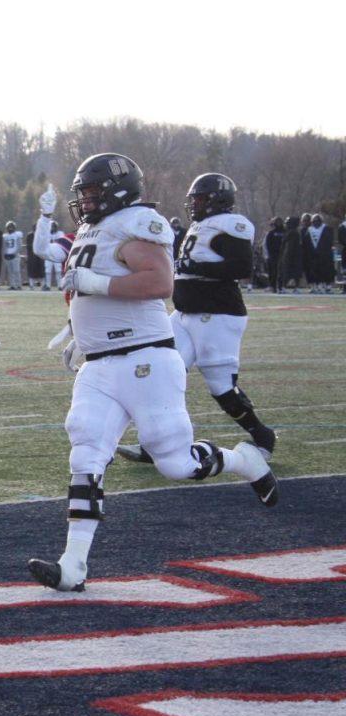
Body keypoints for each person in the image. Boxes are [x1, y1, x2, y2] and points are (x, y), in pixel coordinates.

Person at [26, 157, 277, 593]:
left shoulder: (136, 223)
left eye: (91, 191)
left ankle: (243, 459)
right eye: (82, 192)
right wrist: (79, 330)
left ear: (117, 190)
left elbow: (160, 283)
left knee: (175, 464)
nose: (84, 200)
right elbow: (91, 286)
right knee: (85, 453)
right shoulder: (94, 228)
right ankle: (73, 566)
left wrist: (95, 286)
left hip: (143, 359)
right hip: (101, 362)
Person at [117, 172, 277, 464]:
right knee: (161, 374)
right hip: (184, 313)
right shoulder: (199, 225)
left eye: (201, 198)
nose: (195, 204)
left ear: (218, 200)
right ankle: (157, 446)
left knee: (222, 387)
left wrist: (196, 265)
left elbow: (241, 267)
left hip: (216, 315)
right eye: (194, 199)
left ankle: (263, 435)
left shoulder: (233, 224)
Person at [304, 214, 335, 293]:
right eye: (314, 221)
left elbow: (330, 241)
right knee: (314, 270)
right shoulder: (309, 230)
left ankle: (327, 286)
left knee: (326, 270)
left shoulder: (327, 229)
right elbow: (306, 243)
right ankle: (316, 286)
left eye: (318, 221)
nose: (316, 223)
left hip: (325, 254)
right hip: (313, 255)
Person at [279, 215, 303, 292]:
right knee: (288, 272)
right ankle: (285, 287)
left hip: (291, 256)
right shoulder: (292, 233)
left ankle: (288, 287)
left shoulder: (293, 233)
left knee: (291, 272)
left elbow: (289, 246)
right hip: (291, 256)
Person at [43, 220, 67, 289]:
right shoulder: (46, 234)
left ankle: (60, 285)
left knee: (58, 271)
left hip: (57, 254)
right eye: (52, 226)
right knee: (48, 271)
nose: (53, 228)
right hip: (48, 254)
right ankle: (47, 285)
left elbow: (61, 241)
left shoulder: (60, 233)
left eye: (54, 226)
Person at [262, 216, 284, 293]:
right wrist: (268, 256)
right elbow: (267, 245)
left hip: (283, 256)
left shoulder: (285, 232)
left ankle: (281, 286)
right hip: (273, 256)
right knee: (272, 272)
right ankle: (272, 286)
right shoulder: (271, 233)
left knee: (281, 272)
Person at [1, 221, 23, 289]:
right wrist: (4, 254)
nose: (10, 228)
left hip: (15, 255)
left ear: (14, 227)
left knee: (16, 271)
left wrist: (15, 253)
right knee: (10, 272)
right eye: (9, 227)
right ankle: (12, 285)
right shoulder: (5, 236)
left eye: (11, 227)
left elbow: (19, 246)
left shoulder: (17, 235)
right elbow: (4, 246)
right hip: (7, 255)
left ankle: (18, 285)